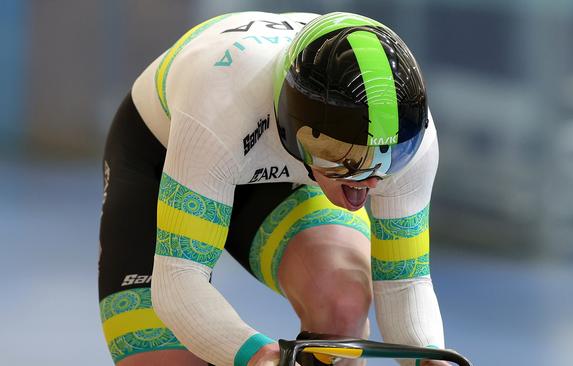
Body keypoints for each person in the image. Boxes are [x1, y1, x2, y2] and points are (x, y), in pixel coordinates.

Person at [99, 11, 444, 366]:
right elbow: (178, 282)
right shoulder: (221, 102)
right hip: (164, 155)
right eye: (344, 158)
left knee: (343, 302)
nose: (368, 182)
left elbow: (405, 282)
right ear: (293, 120)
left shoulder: (410, 135)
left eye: (389, 160)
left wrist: (433, 359)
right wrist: (257, 354)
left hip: (288, 172)